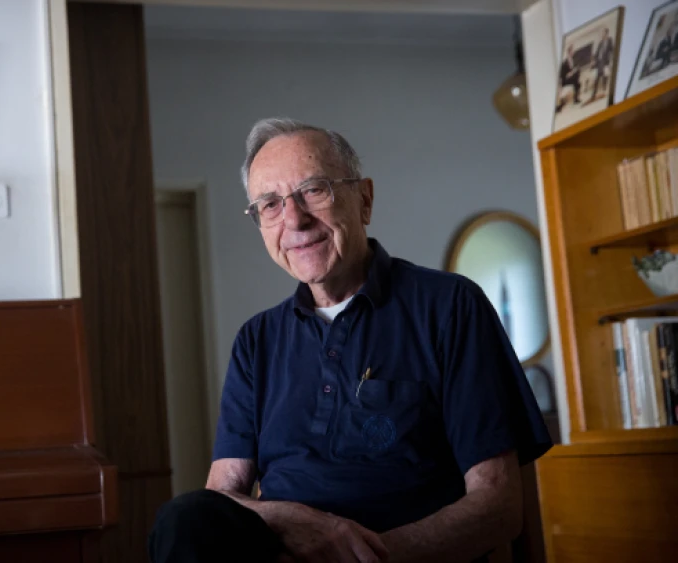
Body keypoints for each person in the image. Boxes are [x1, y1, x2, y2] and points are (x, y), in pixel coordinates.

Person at [148, 119, 552, 563]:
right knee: (181, 520)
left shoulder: (451, 306)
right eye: (270, 204)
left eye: (313, 190)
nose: (294, 220)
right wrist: (298, 522)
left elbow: (498, 507)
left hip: (398, 558)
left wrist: (359, 555)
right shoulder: (256, 340)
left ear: (364, 200)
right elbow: (220, 499)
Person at [591, 28, 614, 102]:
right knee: (597, 78)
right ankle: (594, 94)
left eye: (603, 33)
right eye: (602, 33)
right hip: (599, 62)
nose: (602, 34)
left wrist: (611, 61)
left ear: (606, 33)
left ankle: (604, 91)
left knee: (605, 76)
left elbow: (612, 50)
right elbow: (597, 52)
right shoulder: (600, 42)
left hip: (605, 62)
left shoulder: (610, 40)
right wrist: (593, 59)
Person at [558, 44, 582, 112]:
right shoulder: (565, 62)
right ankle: (575, 99)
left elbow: (573, 69)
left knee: (577, 81)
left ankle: (576, 99)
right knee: (577, 82)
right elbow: (563, 75)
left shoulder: (573, 59)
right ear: (569, 52)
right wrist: (568, 74)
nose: (573, 52)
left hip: (572, 78)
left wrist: (574, 71)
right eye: (572, 51)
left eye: (573, 51)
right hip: (566, 80)